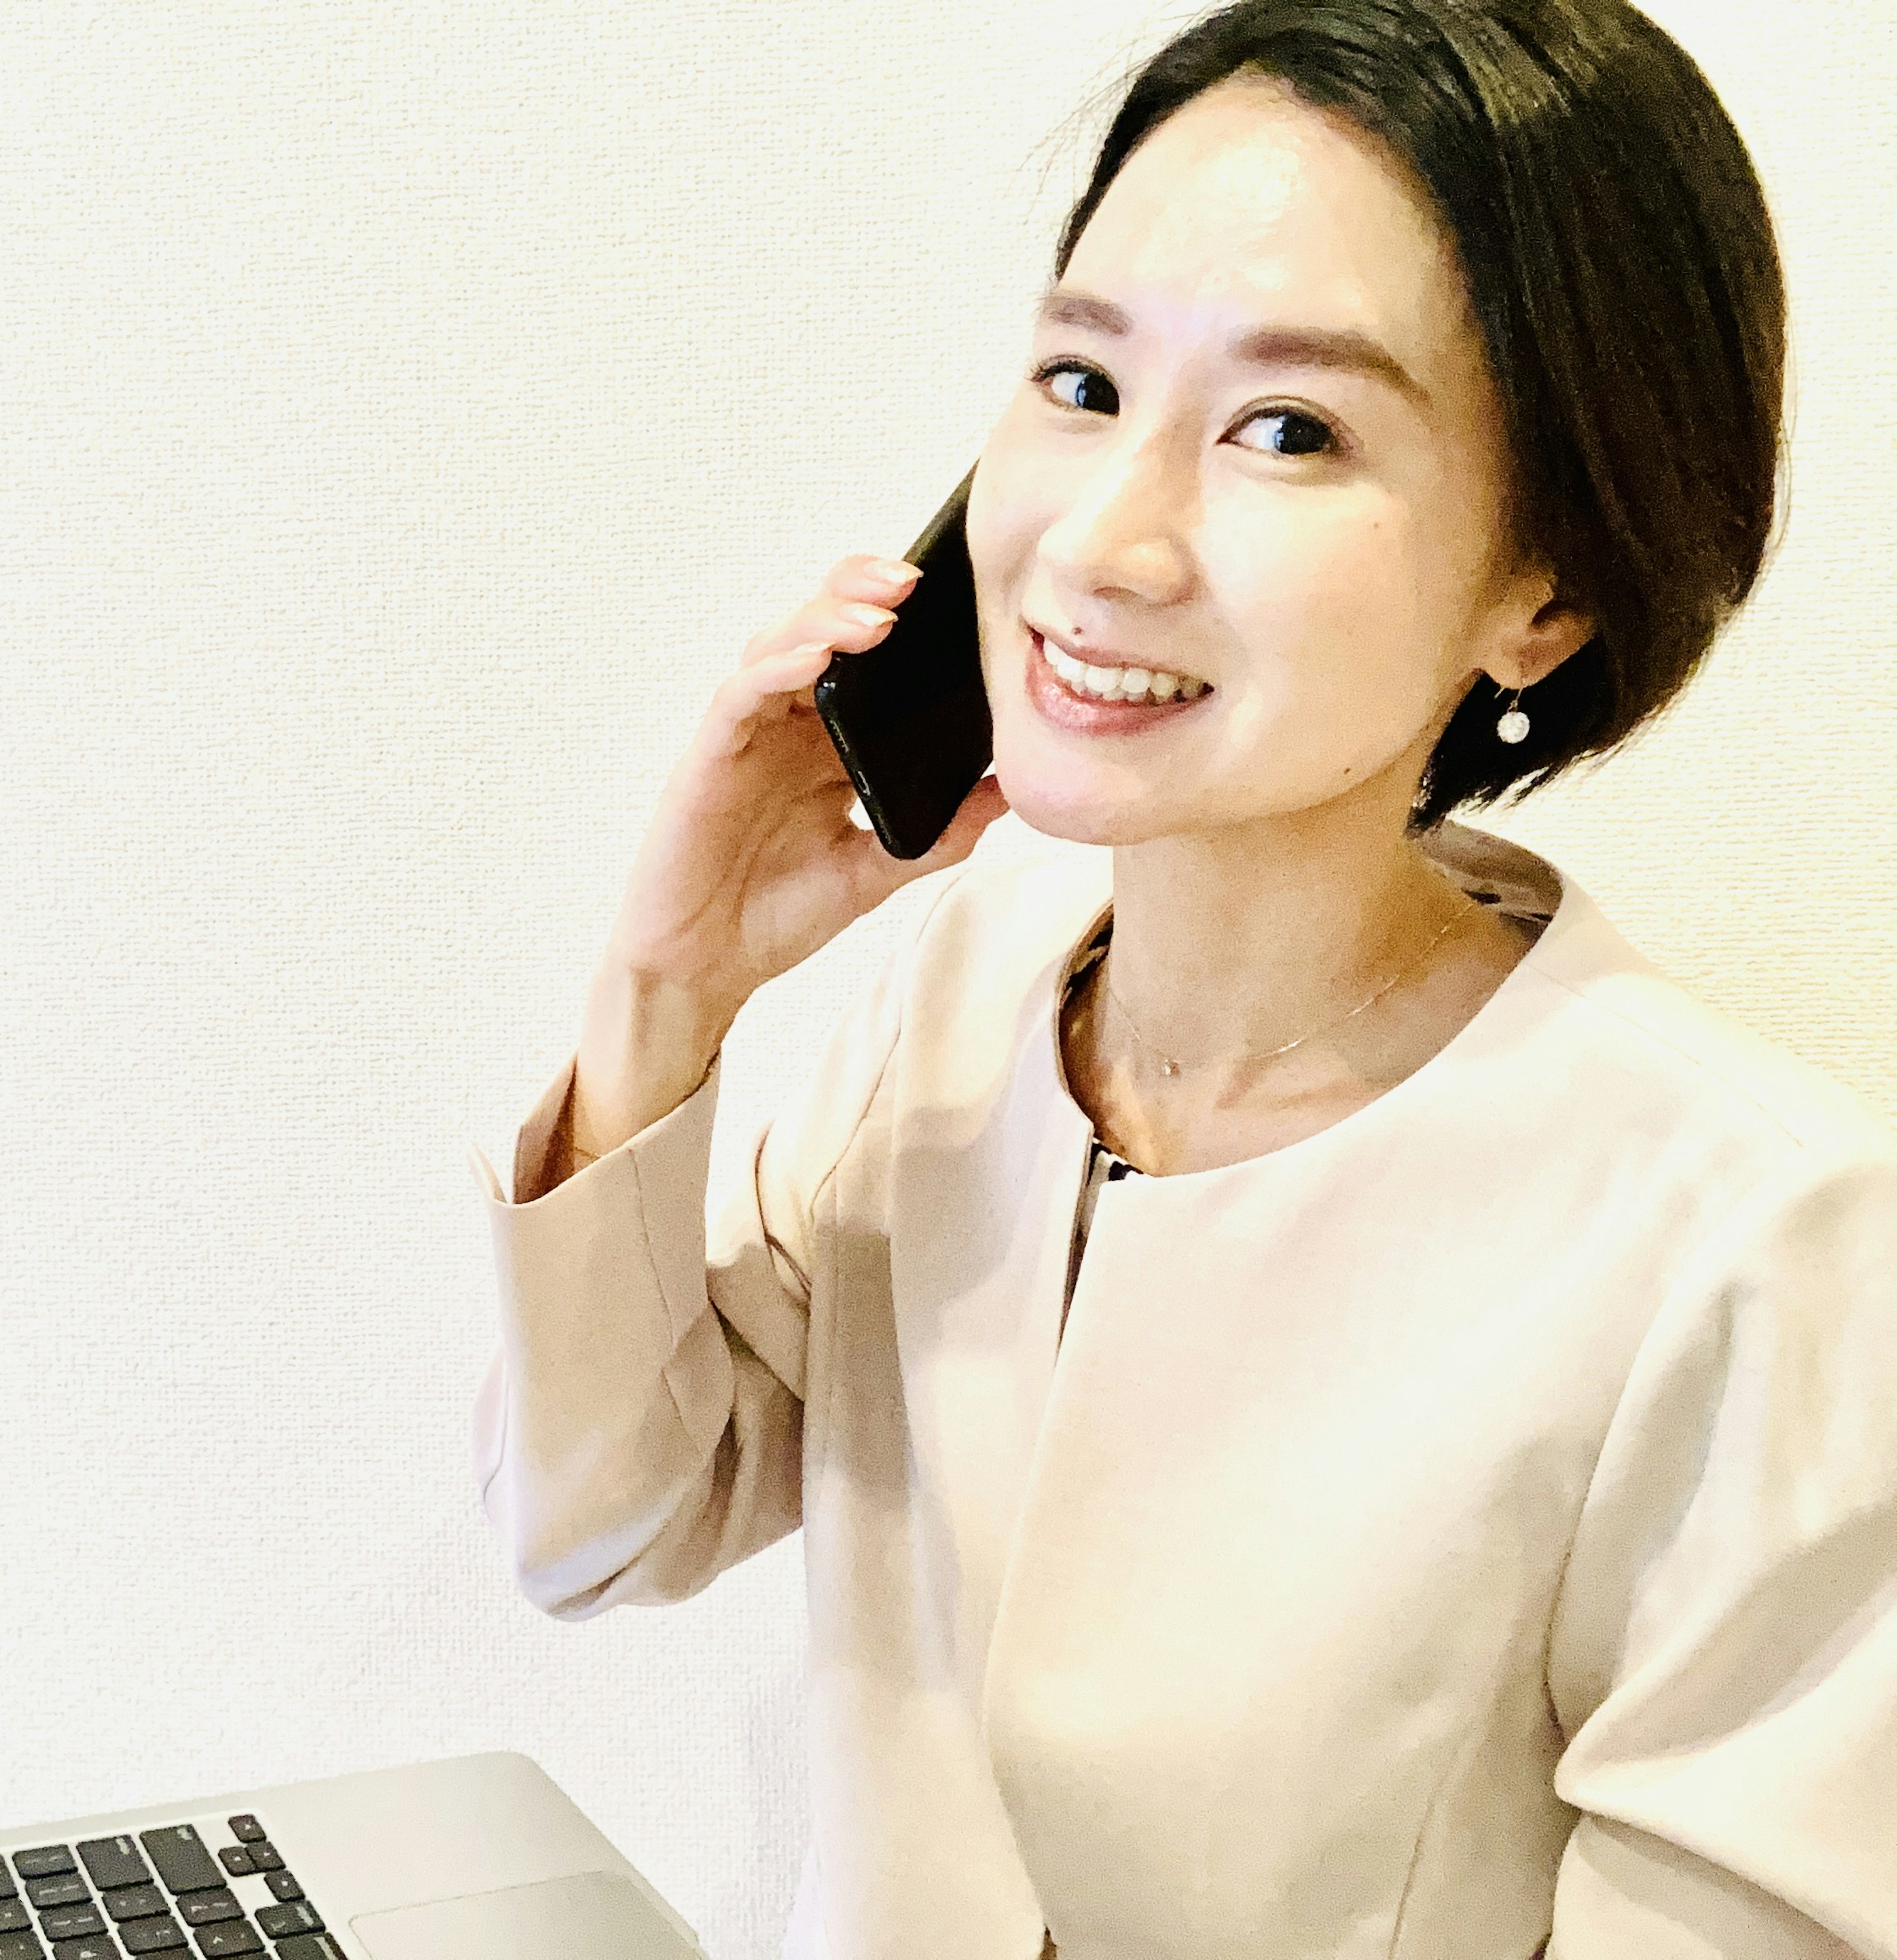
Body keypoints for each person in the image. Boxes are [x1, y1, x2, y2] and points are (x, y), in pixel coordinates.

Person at [467, 0, 1897, 1955]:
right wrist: (670, 991)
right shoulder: (957, 1016)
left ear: (1543, 588)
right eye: (1080, 380)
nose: (1106, 539)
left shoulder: (1763, 1243)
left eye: (1288, 429)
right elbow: (596, 1529)